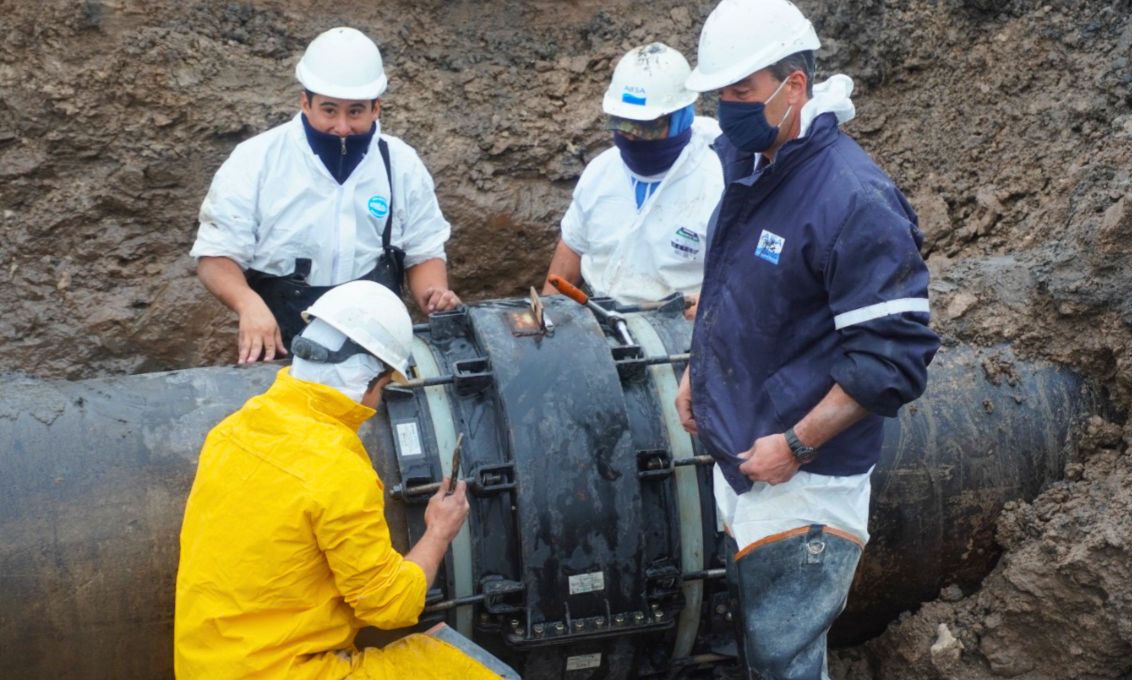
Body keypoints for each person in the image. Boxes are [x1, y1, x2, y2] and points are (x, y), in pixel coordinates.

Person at [674, 0, 941, 677]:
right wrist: (696, 373)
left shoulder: (853, 200)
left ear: (793, 87)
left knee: (785, 659)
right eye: (721, 93)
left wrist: (795, 447)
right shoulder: (753, 162)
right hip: (744, 458)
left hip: (805, 487)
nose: (728, 108)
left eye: (742, 92)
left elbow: (893, 361)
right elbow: (736, 287)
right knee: (760, 645)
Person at [174, 281, 516, 679]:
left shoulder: (229, 433)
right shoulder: (334, 467)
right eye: (384, 385)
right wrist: (439, 532)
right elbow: (390, 606)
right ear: (365, 380)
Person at [191, 27, 461, 364]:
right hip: (282, 345)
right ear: (306, 102)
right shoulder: (256, 160)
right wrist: (248, 304)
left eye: (356, 111)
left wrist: (432, 295)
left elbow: (423, 251)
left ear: (376, 107)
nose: (343, 126)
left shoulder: (400, 163)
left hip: (374, 343)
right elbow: (215, 257)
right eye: (330, 110)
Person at [543, 42, 723, 319]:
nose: (631, 137)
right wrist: (546, 318)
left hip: (680, 327)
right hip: (598, 316)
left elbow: (744, 279)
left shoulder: (718, 183)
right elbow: (572, 248)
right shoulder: (600, 172)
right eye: (623, 124)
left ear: (681, 117)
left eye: (644, 127)